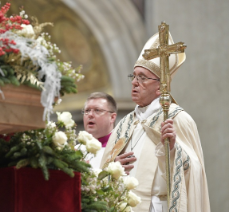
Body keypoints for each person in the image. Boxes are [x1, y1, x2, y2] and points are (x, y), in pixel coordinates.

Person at [100, 32, 210, 212]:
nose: (135, 83)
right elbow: (104, 171)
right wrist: (112, 170)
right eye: (134, 76)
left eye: (142, 77)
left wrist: (174, 150)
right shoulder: (125, 124)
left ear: (161, 87)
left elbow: (196, 173)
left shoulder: (178, 118)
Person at [81, 92, 117, 169]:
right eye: (87, 110)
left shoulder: (121, 150)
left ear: (112, 117)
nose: (90, 115)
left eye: (97, 110)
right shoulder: (77, 150)